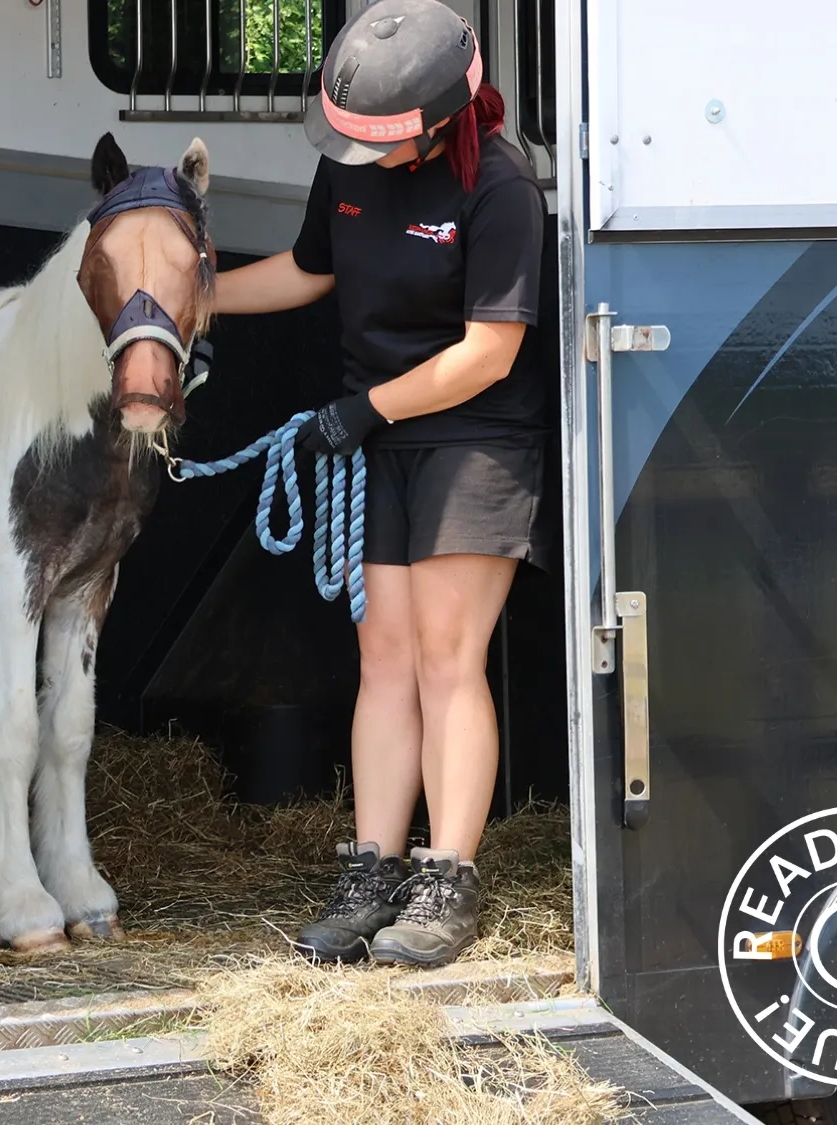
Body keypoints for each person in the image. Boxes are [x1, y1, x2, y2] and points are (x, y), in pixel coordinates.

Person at [212, 0, 550, 968]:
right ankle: (372, 867)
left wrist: (361, 412)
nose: (357, 159)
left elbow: (488, 354)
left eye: (379, 144)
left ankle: (445, 880)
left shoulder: (500, 189)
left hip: (472, 440)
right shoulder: (351, 169)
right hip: (379, 437)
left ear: (445, 115)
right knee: (383, 661)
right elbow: (308, 268)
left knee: (447, 659)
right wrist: (201, 296)